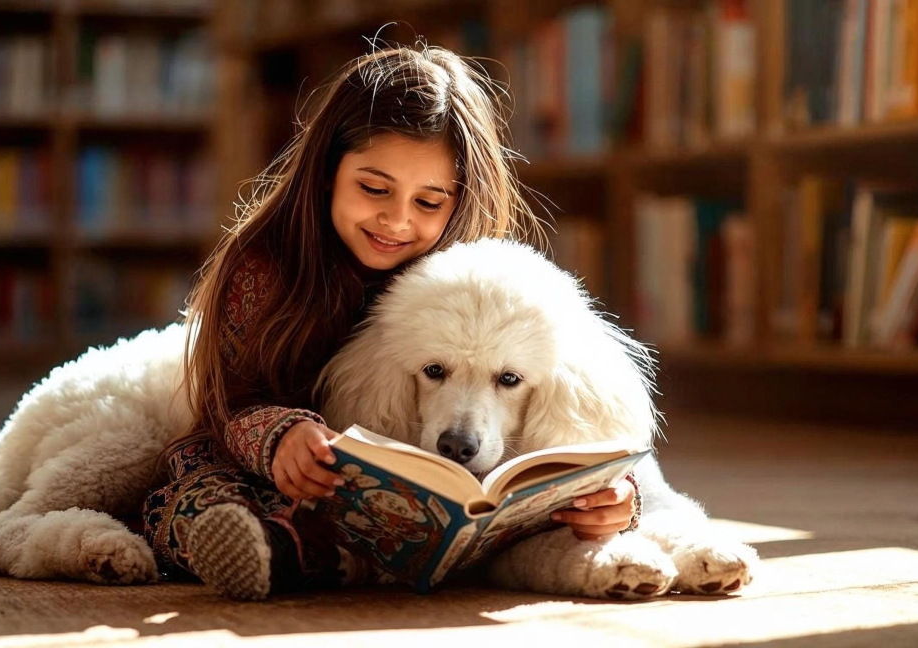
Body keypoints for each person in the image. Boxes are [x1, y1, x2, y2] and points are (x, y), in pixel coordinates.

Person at [141, 44, 640, 601]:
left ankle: (324, 560)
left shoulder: (476, 280)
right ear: (329, 171)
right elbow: (227, 404)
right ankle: (284, 552)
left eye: (429, 202)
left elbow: (587, 434)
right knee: (200, 497)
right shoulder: (265, 269)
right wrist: (281, 437)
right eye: (374, 189)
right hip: (272, 468)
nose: (397, 220)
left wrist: (615, 497)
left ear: (459, 198)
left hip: (433, 485)